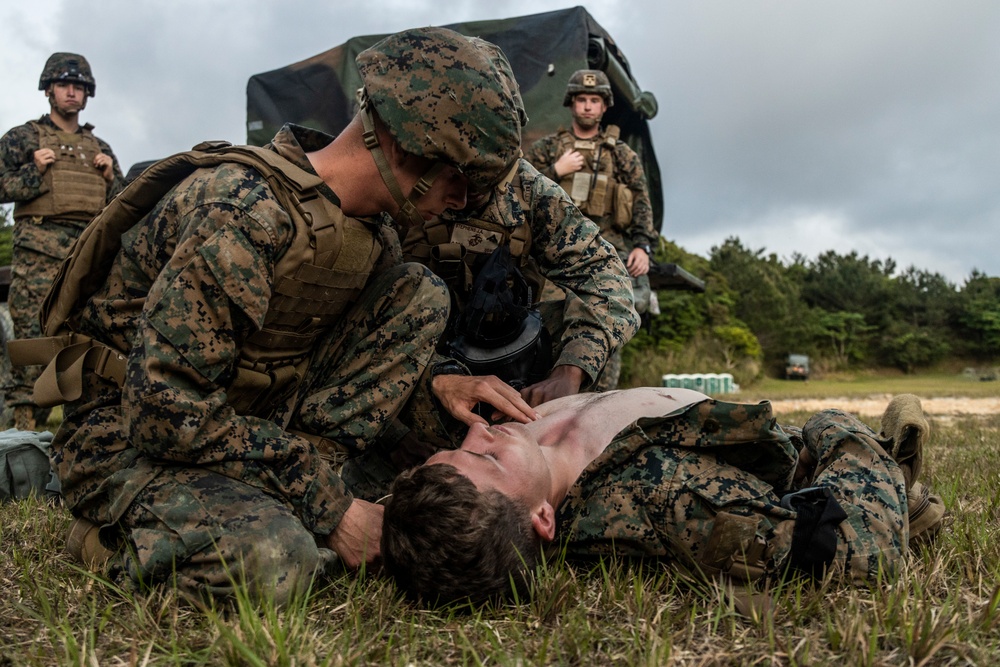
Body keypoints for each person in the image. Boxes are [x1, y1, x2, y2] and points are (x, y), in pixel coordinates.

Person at [9, 27, 528, 605]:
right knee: (277, 563)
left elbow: (321, 360)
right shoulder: (243, 208)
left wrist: (435, 389)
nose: (461, 199)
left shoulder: (370, 235)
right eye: (459, 176)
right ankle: (105, 536)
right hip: (131, 437)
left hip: (244, 426)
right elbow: (164, 410)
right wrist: (327, 505)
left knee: (420, 296)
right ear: (405, 145)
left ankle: (278, 499)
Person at [346, 43, 639, 494]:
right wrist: (410, 411)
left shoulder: (529, 190)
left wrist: (571, 370)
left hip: (507, 354)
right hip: (411, 363)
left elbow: (609, 282)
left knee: (587, 325)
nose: (464, 198)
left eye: (484, 183)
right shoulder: (388, 183)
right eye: (456, 179)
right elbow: (350, 328)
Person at [381, 388, 946, 606]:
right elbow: (855, 552)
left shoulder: (520, 450)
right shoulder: (653, 496)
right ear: (544, 519)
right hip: (799, 456)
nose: (478, 432)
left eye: (461, 447)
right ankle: (895, 475)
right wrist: (837, 430)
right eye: (487, 457)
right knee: (856, 474)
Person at [0, 53, 126, 431]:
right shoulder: (23, 138)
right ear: (49, 91)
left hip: (87, 258)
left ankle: (81, 434)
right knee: (31, 345)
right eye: (64, 85)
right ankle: (20, 443)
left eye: (79, 87)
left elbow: (124, 206)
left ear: (87, 95)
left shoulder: (99, 146)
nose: (72, 93)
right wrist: (32, 171)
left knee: (87, 344)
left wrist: (109, 179)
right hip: (39, 257)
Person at [525, 69, 659, 391]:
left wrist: (642, 246)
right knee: (543, 328)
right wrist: (556, 170)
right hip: (554, 253)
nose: (587, 106)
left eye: (594, 100)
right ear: (571, 104)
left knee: (605, 321)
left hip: (604, 250)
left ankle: (599, 402)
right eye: (582, 99)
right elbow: (518, 187)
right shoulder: (549, 149)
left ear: (604, 106)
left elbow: (641, 199)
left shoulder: (620, 154)